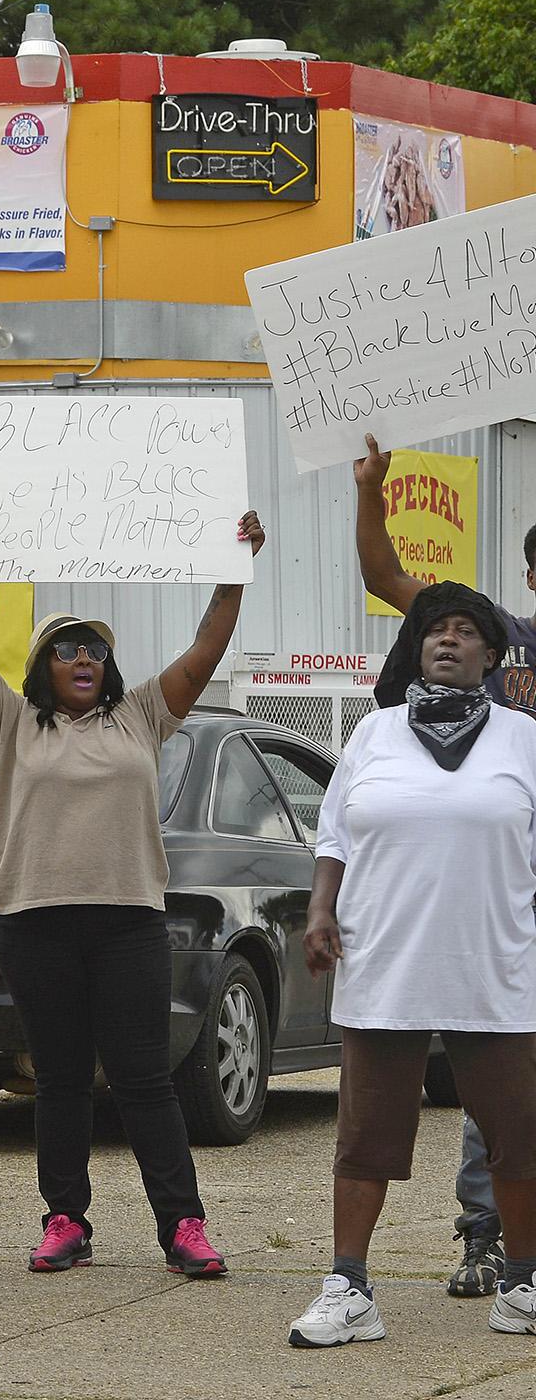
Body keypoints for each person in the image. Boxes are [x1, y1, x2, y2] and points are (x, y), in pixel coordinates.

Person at [0, 497, 263, 1282]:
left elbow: (206, 647)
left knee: (144, 1079)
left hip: (127, 926)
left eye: (93, 648)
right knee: (57, 1081)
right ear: (41, 665)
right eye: (65, 648)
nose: (83, 657)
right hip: (36, 925)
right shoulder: (12, 722)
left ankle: (183, 1226)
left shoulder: (142, 716)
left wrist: (233, 571)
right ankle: (65, 1220)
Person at [287, 584, 536, 1348]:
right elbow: (336, 836)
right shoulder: (374, 734)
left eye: (466, 633)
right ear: (416, 649)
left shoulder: (524, 738)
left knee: (520, 1135)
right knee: (366, 1137)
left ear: (492, 658)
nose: (449, 641)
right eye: (436, 631)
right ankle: (349, 1288)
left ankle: (523, 1285)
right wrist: (321, 910)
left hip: (498, 967)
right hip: (384, 963)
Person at [354, 433, 533, 1296]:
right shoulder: (496, 634)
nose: (453, 637)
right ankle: (485, 1237)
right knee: (486, 1080)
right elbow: (386, 575)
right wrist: (370, 494)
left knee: (519, 1093)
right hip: (480, 894)